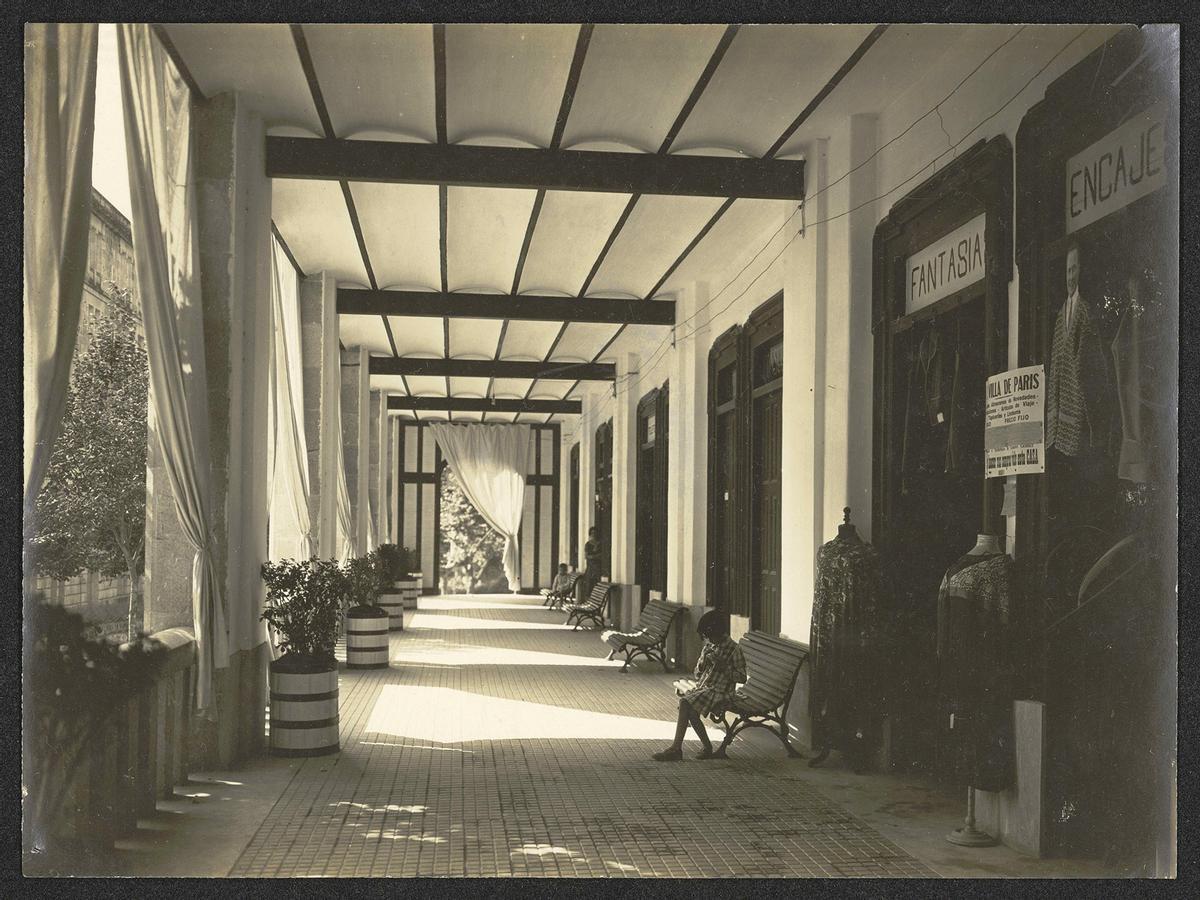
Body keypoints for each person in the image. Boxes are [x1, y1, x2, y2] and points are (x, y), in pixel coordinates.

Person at [653, 609, 745, 761]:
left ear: (719, 633)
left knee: (685, 702)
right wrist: (703, 664)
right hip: (706, 688)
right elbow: (697, 674)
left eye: (711, 637)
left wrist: (724, 667)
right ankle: (705, 748)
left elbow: (741, 677)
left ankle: (677, 748)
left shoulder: (734, 649)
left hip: (722, 691)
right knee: (690, 710)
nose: (709, 641)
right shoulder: (709, 647)